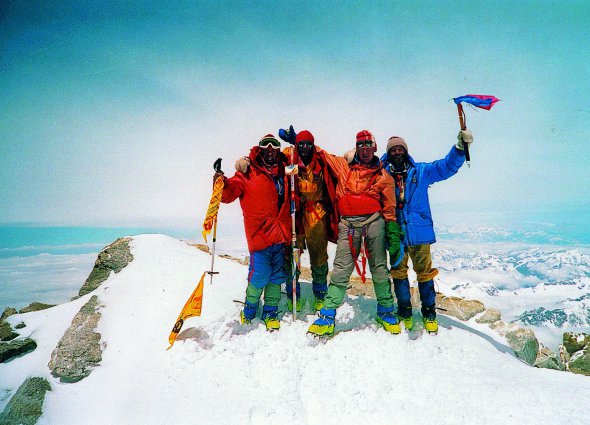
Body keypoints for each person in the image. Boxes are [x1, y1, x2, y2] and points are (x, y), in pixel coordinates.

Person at [306, 130, 404, 337]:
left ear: (375, 149)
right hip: (348, 225)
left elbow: (389, 210)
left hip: (374, 222)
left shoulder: (384, 176)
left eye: (369, 147)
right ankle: (327, 314)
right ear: (356, 148)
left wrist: (393, 236)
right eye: (361, 147)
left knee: (379, 268)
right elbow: (321, 154)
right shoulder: (343, 166)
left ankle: (386, 311)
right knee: (341, 269)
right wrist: (300, 140)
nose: (365, 150)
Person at [236, 129, 339, 313]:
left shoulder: (321, 159)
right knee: (293, 255)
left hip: (317, 215)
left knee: (319, 257)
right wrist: (245, 160)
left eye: (309, 144)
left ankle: (320, 293)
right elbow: (264, 158)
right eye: (301, 144)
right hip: (296, 215)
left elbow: (336, 161)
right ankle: (294, 293)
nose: (305, 147)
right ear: (297, 146)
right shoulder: (288, 157)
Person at [382, 129, 473, 333]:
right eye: (393, 150)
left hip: (419, 232)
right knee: (398, 271)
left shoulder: (421, 172)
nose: (397, 153)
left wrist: (459, 149)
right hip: (396, 233)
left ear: (406, 151)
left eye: (400, 149)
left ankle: (429, 312)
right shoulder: (382, 175)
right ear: (388, 154)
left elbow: (445, 167)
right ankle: (404, 310)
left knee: (424, 273)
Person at [214, 134, 291, 331]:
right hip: (260, 235)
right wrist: (221, 182)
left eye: (275, 145)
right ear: (260, 149)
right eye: (266, 145)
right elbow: (230, 192)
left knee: (276, 276)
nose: (271, 148)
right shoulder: (248, 173)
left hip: (281, 233)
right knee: (259, 274)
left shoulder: (285, 170)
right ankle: (249, 309)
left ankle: (270, 312)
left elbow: (303, 158)